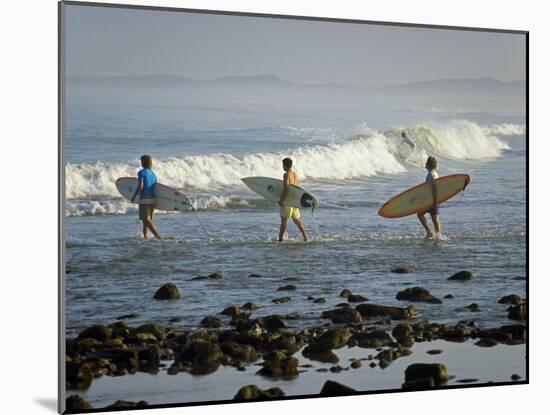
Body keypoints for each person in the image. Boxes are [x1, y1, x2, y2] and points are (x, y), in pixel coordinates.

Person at [131, 155, 162, 239]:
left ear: (143, 162)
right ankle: (145, 237)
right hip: (152, 199)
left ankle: (157, 235)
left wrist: (134, 196)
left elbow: (140, 186)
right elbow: (155, 187)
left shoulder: (141, 172)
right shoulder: (153, 174)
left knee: (146, 220)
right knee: (147, 220)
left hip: (144, 198)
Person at [278, 157, 308, 242]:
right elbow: (296, 188)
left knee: (284, 222)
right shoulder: (295, 175)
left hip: (287, 201)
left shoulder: (286, 174)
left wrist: (281, 200)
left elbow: (286, 189)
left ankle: (280, 239)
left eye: (283, 165)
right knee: (296, 220)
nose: (282, 167)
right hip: (294, 201)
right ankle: (305, 236)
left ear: (286, 165)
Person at [417, 156, 441, 239]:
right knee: (434, 218)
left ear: (428, 164)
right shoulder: (435, 173)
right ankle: (437, 235)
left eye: (426, 163)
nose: (425, 164)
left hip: (432, 200)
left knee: (421, 214)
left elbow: (434, 187)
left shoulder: (431, 174)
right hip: (433, 200)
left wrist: (434, 202)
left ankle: (430, 233)